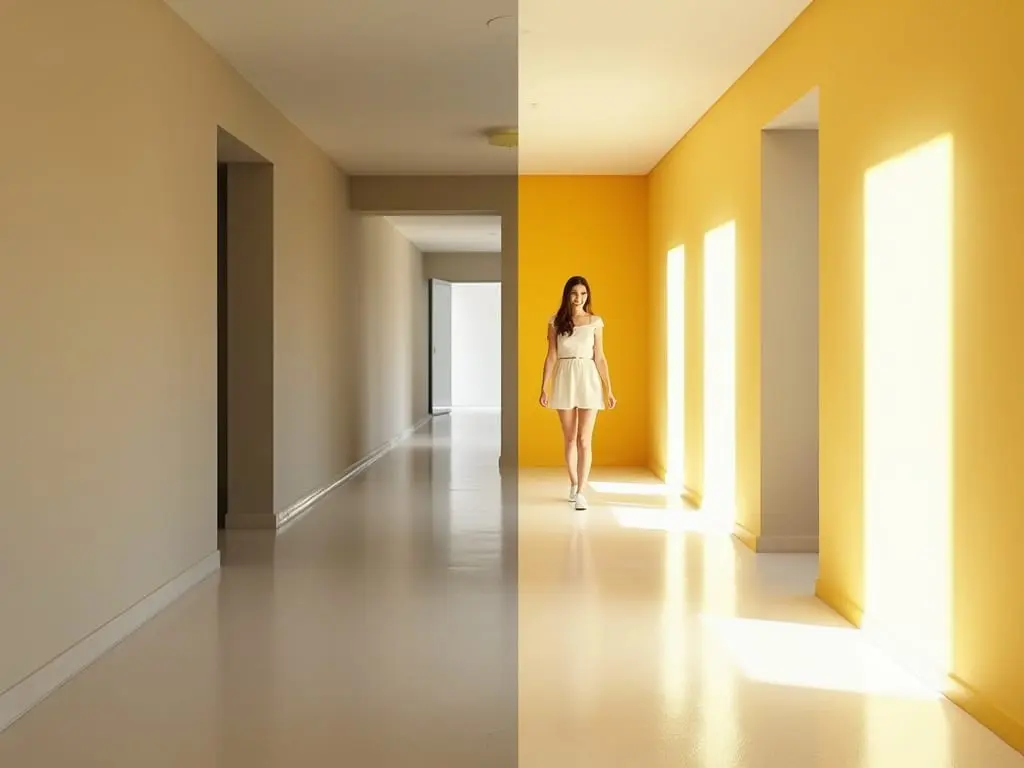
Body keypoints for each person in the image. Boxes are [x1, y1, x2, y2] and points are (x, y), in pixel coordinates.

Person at [538, 275, 617, 510]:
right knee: (570, 437)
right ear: (567, 295)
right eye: (574, 293)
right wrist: (544, 385)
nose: (578, 298)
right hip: (564, 376)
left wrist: (608, 389)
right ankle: (573, 483)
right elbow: (551, 355)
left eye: (583, 294)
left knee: (585, 438)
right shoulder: (555, 322)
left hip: (588, 377)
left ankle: (582, 490)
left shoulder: (595, 321)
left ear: (587, 295)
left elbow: (600, 357)